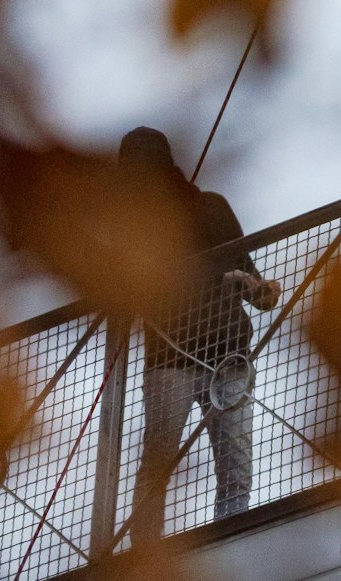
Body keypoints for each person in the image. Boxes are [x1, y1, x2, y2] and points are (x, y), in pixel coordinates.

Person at [124, 127, 281, 542]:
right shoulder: (140, 230)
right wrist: (226, 278)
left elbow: (253, 283)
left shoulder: (210, 209)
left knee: (231, 463)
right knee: (174, 461)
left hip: (222, 357)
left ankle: (227, 540)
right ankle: (147, 552)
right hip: (177, 359)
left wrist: (258, 289)